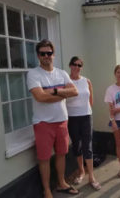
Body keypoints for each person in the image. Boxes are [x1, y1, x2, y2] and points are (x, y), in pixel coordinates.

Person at [27, 39, 79, 198]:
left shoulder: (61, 73)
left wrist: (53, 91)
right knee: (44, 158)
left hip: (62, 121)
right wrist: (62, 92)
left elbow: (75, 91)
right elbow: (40, 97)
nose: (46, 56)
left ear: (53, 54)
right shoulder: (33, 74)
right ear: (38, 55)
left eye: (49, 53)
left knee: (62, 154)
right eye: (42, 53)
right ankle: (47, 190)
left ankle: (62, 182)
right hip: (43, 123)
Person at [66, 56, 101, 190]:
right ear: (70, 65)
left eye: (79, 65)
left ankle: (91, 176)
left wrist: (86, 110)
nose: (77, 67)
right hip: (72, 118)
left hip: (86, 116)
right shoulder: (66, 81)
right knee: (77, 146)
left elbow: (90, 100)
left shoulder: (87, 81)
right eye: (74, 64)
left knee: (88, 146)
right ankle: (81, 171)